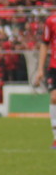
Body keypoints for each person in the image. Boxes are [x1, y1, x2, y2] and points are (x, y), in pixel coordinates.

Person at [33, 11, 56, 149]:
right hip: (54, 67)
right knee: (54, 98)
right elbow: (44, 44)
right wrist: (40, 69)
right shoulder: (51, 20)